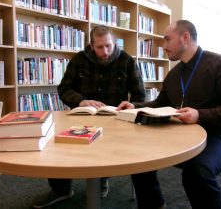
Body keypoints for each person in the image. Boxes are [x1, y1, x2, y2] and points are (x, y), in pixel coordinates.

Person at [117, 20, 221, 209]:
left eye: (167, 40)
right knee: (138, 156)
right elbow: (159, 104)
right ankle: (153, 204)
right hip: (180, 135)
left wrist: (200, 115)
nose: (164, 46)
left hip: (219, 137)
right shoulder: (174, 74)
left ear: (185, 37)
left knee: (196, 171)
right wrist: (135, 106)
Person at [32, 25, 145, 208]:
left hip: (114, 119)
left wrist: (130, 107)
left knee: (107, 141)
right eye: (100, 47)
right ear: (91, 45)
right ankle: (61, 189)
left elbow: (140, 95)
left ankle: (101, 179)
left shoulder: (127, 60)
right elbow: (64, 89)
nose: (105, 52)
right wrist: (81, 101)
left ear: (114, 42)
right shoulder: (79, 60)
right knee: (55, 139)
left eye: (109, 46)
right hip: (80, 116)